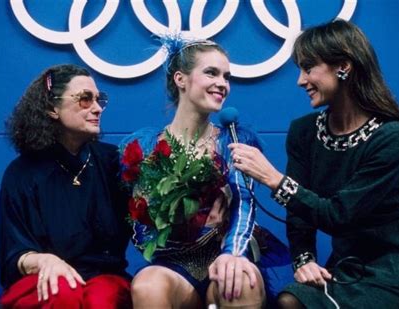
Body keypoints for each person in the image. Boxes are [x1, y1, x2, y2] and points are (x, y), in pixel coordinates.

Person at [228, 19, 399, 308]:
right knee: (290, 299)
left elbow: (340, 214)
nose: (300, 80)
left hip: (397, 266)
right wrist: (304, 259)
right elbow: (299, 215)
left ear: (343, 67)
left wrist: (274, 179)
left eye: (308, 68)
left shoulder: (393, 137)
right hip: (347, 266)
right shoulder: (304, 131)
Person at [119, 37, 290, 308]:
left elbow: (244, 206)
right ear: (180, 79)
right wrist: (169, 220)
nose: (223, 83)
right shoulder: (143, 146)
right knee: (148, 286)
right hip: (171, 263)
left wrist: (232, 253)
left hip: (224, 253)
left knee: (239, 282)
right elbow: (136, 223)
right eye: (211, 72)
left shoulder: (234, 140)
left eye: (226, 76)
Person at [0, 64, 132, 308]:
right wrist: (43, 261)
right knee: (61, 294)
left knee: (102, 299)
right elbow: (12, 255)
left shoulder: (114, 162)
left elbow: (147, 228)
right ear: (52, 108)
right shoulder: (21, 173)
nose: (98, 108)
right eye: (85, 99)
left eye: (99, 99)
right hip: (41, 279)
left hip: (105, 277)